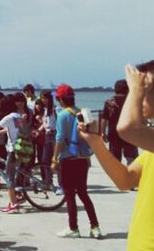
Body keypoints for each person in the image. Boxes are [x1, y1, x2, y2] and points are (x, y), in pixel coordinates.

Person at [79, 58, 154, 251]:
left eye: (146, 89)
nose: (139, 95)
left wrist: (134, 89)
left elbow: (127, 128)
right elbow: (125, 180)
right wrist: (96, 143)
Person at [52, 84, 101, 239]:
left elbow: (59, 139)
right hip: (82, 158)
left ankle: (73, 227)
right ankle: (95, 227)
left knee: (70, 195)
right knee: (83, 193)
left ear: (60, 99)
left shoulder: (62, 115)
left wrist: (54, 158)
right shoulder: (81, 112)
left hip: (68, 159)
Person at [101, 79, 138, 164]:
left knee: (115, 159)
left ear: (115, 89)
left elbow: (104, 118)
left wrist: (103, 132)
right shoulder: (131, 101)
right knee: (132, 158)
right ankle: (132, 175)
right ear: (127, 89)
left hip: (114, 132)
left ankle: (117, 175)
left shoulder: (109, 102)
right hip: (129, 132)